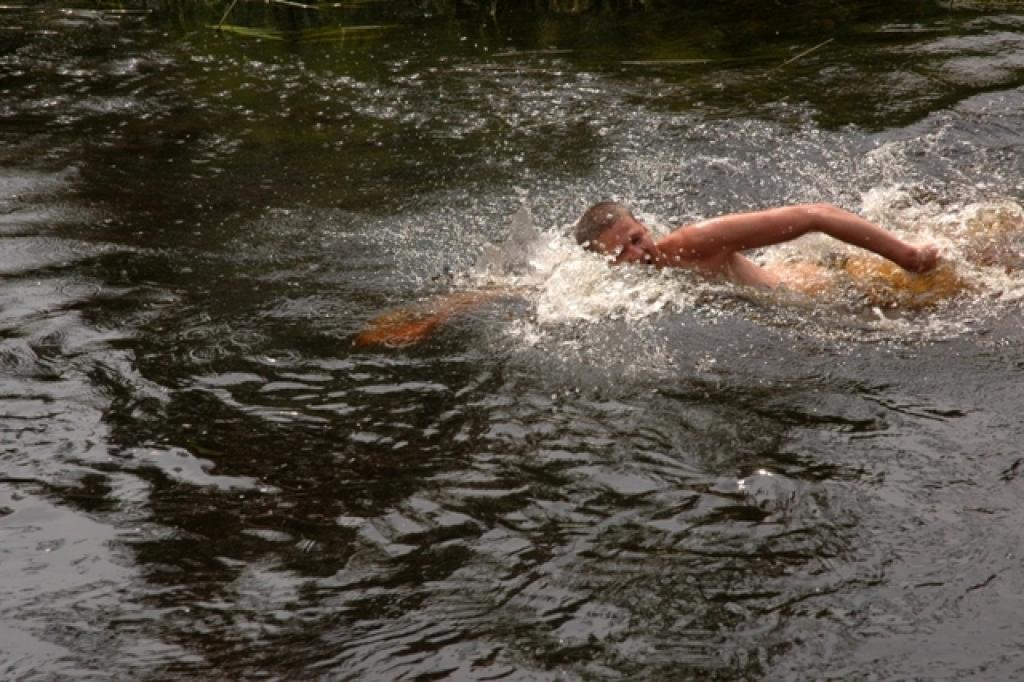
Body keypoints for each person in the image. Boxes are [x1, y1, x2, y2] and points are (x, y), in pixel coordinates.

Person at [575, 200, 941, 291]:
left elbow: (816, 214)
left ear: (645, 226)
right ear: (600, 262)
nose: (638, 255)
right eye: (621, 252)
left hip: (839, 293)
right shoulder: (602, 288)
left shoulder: (694, 242)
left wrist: (908, 257)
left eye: (638, 239)